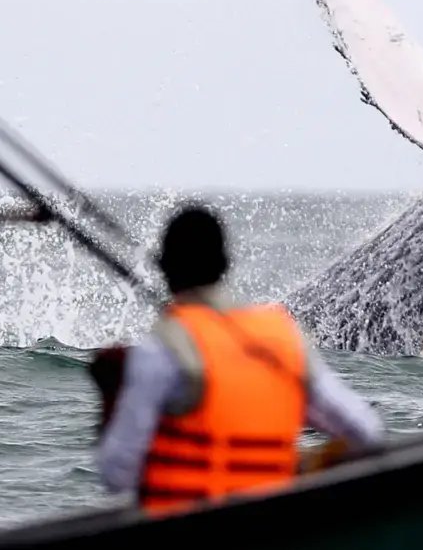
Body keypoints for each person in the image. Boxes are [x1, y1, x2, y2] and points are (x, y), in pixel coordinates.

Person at [94, 204, 384, 513]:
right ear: (226, 265)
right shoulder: (284, 335)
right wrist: (307, 461)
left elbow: (117, 475)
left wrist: (110, 402)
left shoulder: (162, 347)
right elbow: (367, 431)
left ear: (165, 268)